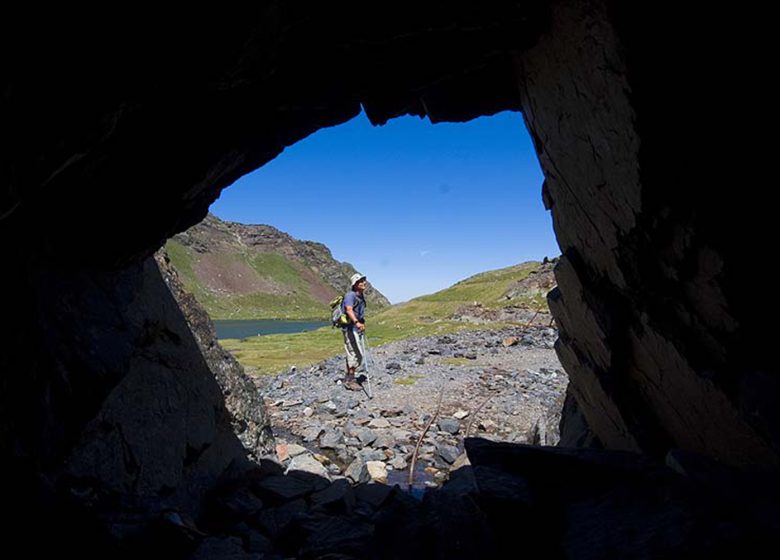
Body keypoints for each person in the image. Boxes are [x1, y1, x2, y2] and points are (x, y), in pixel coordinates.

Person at [342, 272, 367, 391]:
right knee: (353, 352)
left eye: (363, 280)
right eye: (361, 281)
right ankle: (350, 381)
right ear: (355, 284)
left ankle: (349, 376)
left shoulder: (360, 296)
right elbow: (348, 309)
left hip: (356, 327)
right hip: (350, 327)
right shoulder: (350, 295)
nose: (364, 283)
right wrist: (357, 322)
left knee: (357, 352)